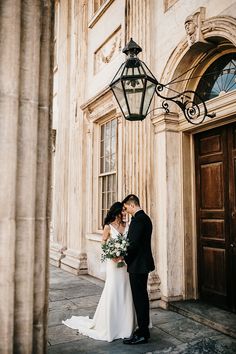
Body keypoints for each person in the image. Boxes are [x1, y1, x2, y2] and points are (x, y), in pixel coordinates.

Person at [62, 202, 136, 342]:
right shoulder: (108, 226)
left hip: (125, 263)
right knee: (113, 288)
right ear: (116, 212)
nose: (125, 213)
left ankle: (126, 324)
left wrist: (123, 253)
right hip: (113, 263)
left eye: (125, 211)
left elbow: (129, 243)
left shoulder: (127, 225)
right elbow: (103, 243)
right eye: (122, 211)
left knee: (126, 289)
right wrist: (112, 254)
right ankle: (111, 325)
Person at [122, 194, 155, 345]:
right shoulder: (146, 219)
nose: (126, 210)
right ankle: (143, 329)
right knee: (142, 298)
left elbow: (133, 245)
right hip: (143, 264)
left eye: (126, 207)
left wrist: (125, 258)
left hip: (137, 265)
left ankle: (142, 333)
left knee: (139, 299)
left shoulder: (138, 220)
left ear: (132, 205)